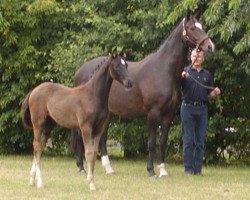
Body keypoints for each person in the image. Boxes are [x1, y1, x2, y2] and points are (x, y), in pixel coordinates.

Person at [181, 48, 221, 175]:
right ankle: (188, 169)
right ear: (190, 57)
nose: (196, 58)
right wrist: (181, 77)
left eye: (199, 56)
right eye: (194, 55)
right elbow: (176, 86)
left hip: (202, 109)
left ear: (203, 58)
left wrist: (215, 93)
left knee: (200, 141)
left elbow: (209, 94)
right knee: (188, 140)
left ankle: (197, 170)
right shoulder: (185, 72)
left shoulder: (207, 75)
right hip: (187, 108)